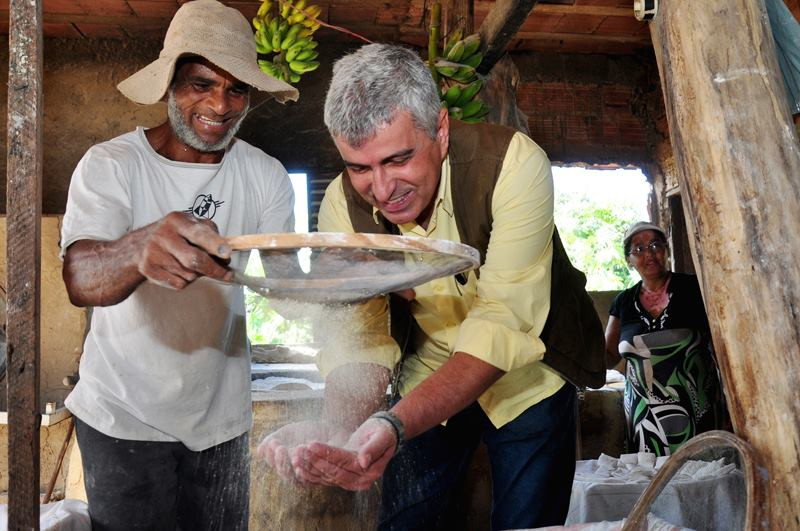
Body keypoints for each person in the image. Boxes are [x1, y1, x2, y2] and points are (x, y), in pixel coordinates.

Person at [259, 43, 578, 530]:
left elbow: (502, 321)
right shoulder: (345, 208)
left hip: (526, 380)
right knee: (404, 521)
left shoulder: (512, 164)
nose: (382, 191)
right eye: (360, 168)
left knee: (529, 524)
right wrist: (339, 424)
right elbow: (360, 334)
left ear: (441, 130)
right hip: (426, 378)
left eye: (399, 159)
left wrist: (393, 423)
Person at [59, 1, 298, 529]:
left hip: (221, 422)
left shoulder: (266, 175)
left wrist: (243, 268)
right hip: (123, 417)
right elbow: (79, 276)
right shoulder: (112, 165)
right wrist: (137, 249)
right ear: (169, 84)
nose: (220, 104)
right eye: (200, 83)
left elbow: (283, 281)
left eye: (237, 89)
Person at [605, 222, 727, 457]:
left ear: (666, 250)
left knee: (701, 477)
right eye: (638, 249)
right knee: (652, 483)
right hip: (644, 420)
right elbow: (609, 358)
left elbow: (722, 347)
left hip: (697, 410)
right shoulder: (623, 302)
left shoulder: (694, 288)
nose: (649, 253)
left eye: (655, 245)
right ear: (629, 260)